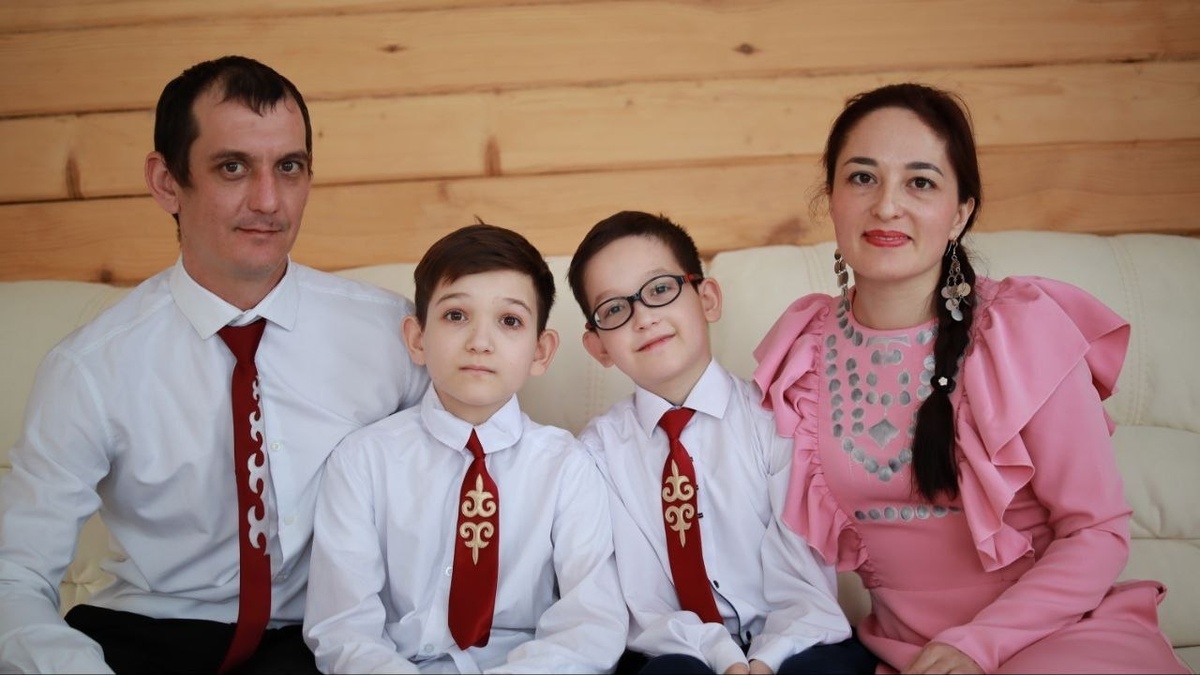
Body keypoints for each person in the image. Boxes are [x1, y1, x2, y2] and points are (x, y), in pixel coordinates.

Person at [0, 55, 429, 673]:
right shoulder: (90, 369)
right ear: (166, 182)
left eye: (289, 167)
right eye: (233, 167)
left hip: (328, 635)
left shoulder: (394, 336)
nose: (268, 201)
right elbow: (15, 575)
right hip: (151, 632)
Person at [751, 82, 1188, 674]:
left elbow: (1097, 531)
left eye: (920, 182)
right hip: (907, 656)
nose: (887, 206)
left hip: (1056, 639)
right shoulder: (801, 347)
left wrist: (977, 645)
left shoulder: (1020, 330)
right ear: (832, 198)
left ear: (959, 213)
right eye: (863, 177)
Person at [303, 223, 628, 673]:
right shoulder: (362, 461)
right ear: (417, 339)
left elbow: (589, 623)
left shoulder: (568, 467)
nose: (480, 342)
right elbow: (343, 627)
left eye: (509, 321)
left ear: (540, 351)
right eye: (456, 315)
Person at [567, 210, 869, 675]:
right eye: (614, 310)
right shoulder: (596, 455)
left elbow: (803, 580)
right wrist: (723, 658)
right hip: (677, 652)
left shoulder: (779, 418)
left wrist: (764, 661)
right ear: (599, 347)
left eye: (660, 289)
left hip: (794, 642)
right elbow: (642, 603)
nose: (644, 318)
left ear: (707, 299)